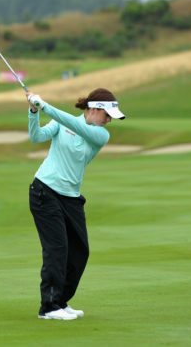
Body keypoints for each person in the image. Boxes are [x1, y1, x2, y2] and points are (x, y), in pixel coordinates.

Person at [26, 88, 126, 321]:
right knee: (57, 250)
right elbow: (36, 136)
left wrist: (45, 106)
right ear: (94, 109)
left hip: (71, 197)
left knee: (80, 252)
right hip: (45, 191)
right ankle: (49, 307)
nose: (109, 120)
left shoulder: (101, 135)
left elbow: (72, 123)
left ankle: (60, 300)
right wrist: (34, 111)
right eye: (107, 115)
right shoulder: (61, 122)